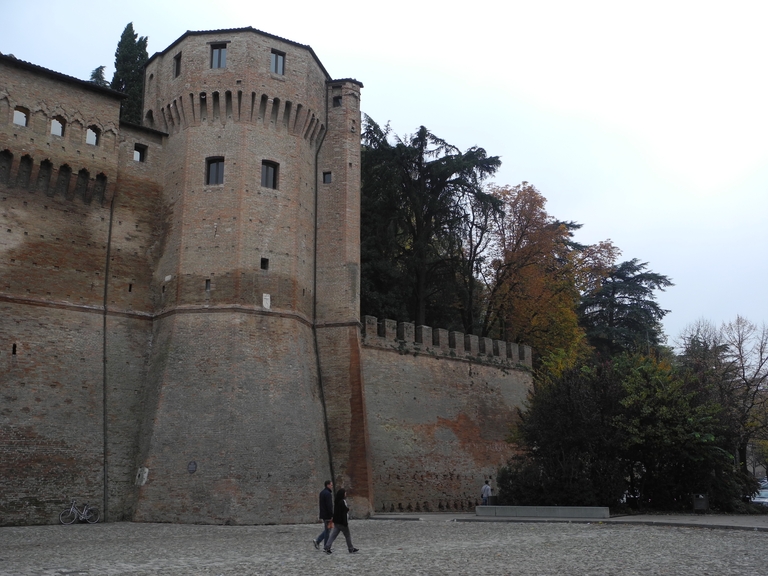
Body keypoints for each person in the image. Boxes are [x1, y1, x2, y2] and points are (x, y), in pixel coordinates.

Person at [324, 488, 359, 554]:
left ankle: (327, 546)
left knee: (333, 535)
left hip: (337, 522)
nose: (345, 494)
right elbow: (344, 511)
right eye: (345, 493)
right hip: (342, 522)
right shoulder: (342, 502)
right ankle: (351, 548)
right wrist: (348, 509)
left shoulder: (336, 501)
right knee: (347, 535)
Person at [313, 480, 334, 550]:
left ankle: (318, 541)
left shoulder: (322, 493)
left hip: (323, 514)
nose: (332, 486)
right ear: (327, 485)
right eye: (331, 485)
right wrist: (331, 515)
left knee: (328, 529)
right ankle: (326, 546)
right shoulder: (328, 494)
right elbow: (329, 505)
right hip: (327, 515)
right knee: (328, 530)